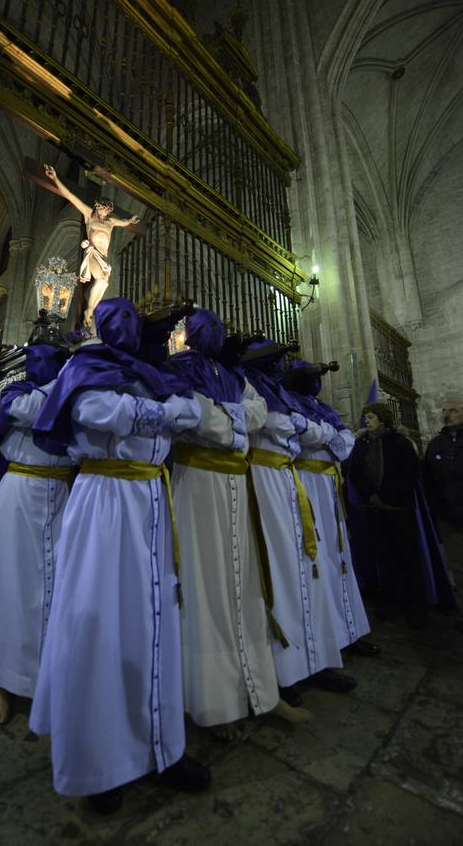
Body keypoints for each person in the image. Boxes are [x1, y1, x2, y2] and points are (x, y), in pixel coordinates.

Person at [30, 298, 210, 813]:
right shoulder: (88, 366)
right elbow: (94, 411)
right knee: (97, 624)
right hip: (106, 501)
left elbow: (193, 411)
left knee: (152, 622)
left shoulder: (152, 372)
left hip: (153, 497)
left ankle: (162, 747)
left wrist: (165, 412)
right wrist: (163, 413)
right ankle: (96, 762)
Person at [169, 310, 312, 739]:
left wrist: (226, 419)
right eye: (203, 328)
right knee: (205, 590)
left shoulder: (233, 374)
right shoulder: (177, 368)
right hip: (197, 484)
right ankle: (212, 704)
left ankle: (261, 692)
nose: (212, 333)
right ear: (190, 335)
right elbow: (190, 414)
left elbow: (259, 411)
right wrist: (233, 423)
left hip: (236, 483)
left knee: (246, 589)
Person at [0, 345, 72, 727]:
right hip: (21, 494)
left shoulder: (72, 393)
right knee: (11, 587)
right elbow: (35, 412)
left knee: (58, 589)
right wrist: (69, 381)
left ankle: (51, 675)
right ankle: (1, 685)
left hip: (64, 496)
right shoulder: (17, 394)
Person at [243, 342, 346, 703]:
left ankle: (313, 658)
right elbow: (273, 423)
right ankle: (282, 670)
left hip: (289, 480)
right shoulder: (246, 384)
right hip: (263, 480)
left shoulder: (279, 392)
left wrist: (301, 427)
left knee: (307, 567)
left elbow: (303, 429)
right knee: (275, 572)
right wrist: (300, 427)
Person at [283, 361, 373, 689]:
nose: (316, 384)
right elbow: (301, 434)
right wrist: (326, 436)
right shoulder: (286, 400)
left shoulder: (321, 407)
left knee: (340, 560)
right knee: (315, 563)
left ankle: (349, 631)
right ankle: (322, 646)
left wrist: (325, 436)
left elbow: (345, 443)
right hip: (304, 484)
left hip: (329, 487)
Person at [347, 402, 427, 628]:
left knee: (407, 558)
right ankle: (390, 601)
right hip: (374, 509)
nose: (367, 421)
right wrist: (369, 495)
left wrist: (385, 496)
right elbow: (355, 472)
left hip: (397, 509)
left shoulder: (399, 443)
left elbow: (408, 474)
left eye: (371, 417)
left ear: (382, 419)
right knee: (383, 557)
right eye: (365, 418)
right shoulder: (361, 444)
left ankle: (415, 608)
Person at [43, 164, 140, 326]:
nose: (105, 214)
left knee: (105, 282)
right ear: (98, 206)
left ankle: (91, 310)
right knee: (101, 281)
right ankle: (89, 310)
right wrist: (55, 178)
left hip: (104, 257)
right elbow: (70, 196)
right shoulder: (89, 215)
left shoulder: (110, 222)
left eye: (107, 211)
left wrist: (131, 220)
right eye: (103, 210)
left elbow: (123, 222)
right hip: (93, 253)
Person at [424, 399, 463, 636]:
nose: (448, 415)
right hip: (451, 520)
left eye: (454, 411)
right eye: (445, 411)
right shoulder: (436, 444)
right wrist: (439, 512)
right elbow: (428, 482)